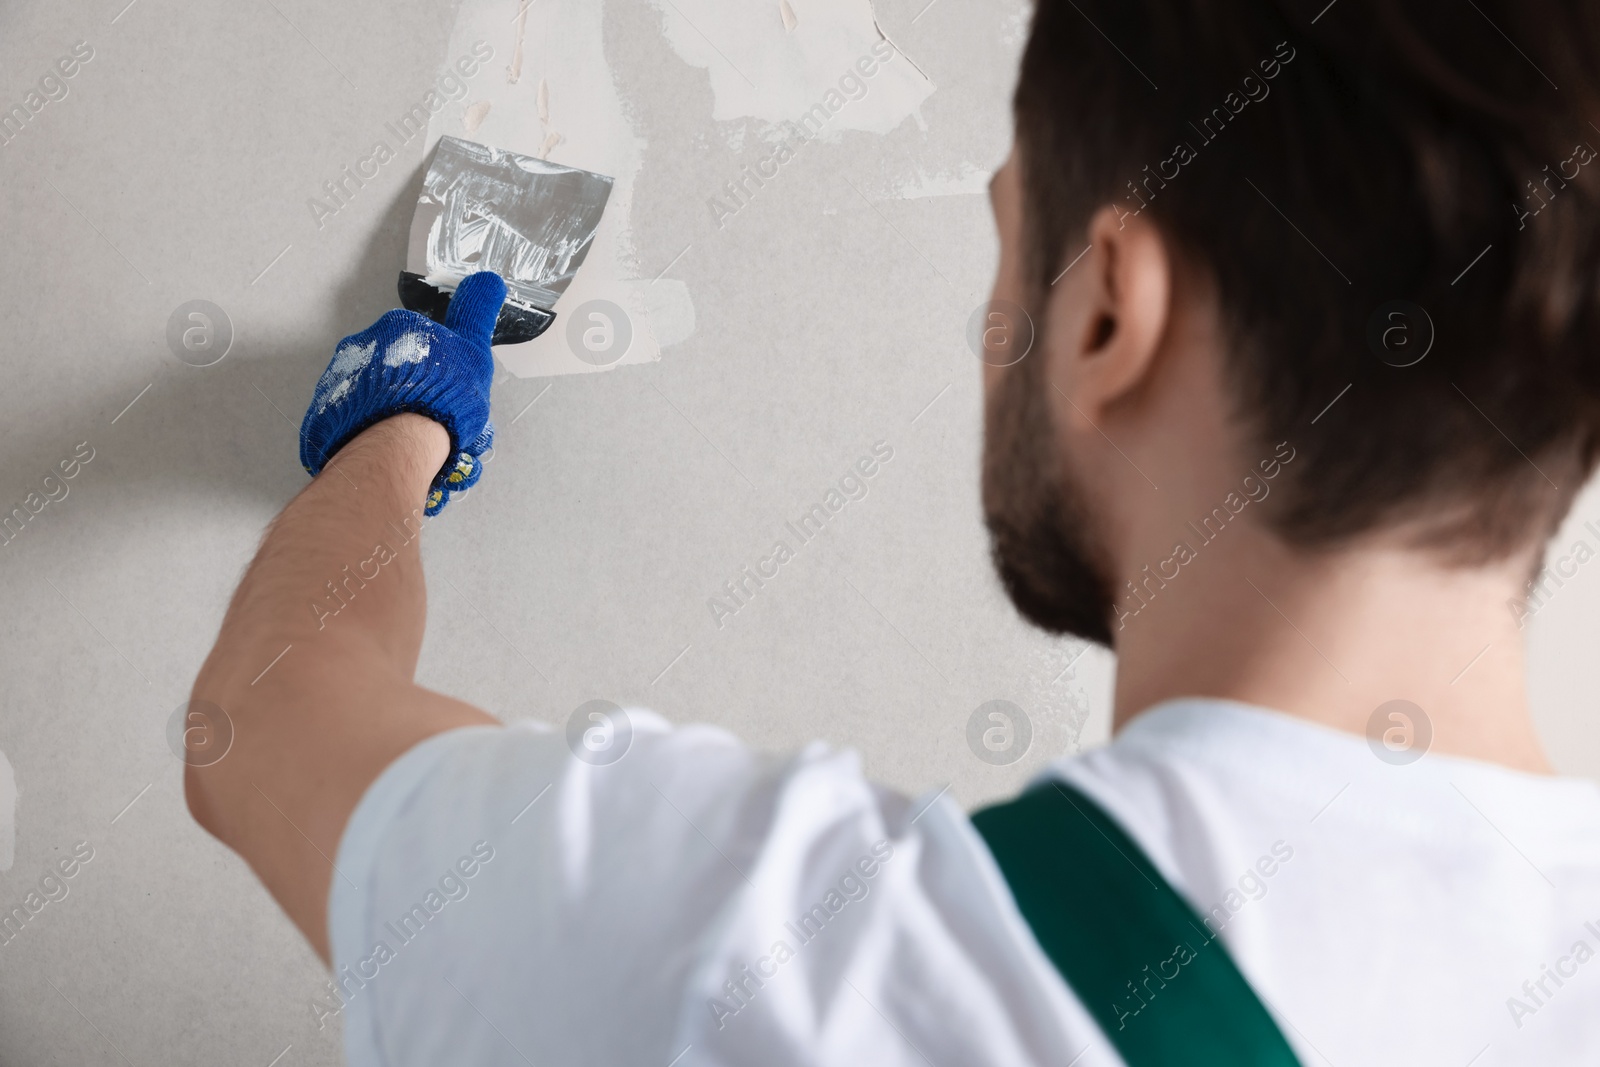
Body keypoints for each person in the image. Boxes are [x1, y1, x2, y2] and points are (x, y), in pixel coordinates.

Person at [186, 1, 1600, 1063]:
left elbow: (259, 726)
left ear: (1109, 314)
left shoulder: (792, 976)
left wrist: (406, 412)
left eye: (1008, 247)